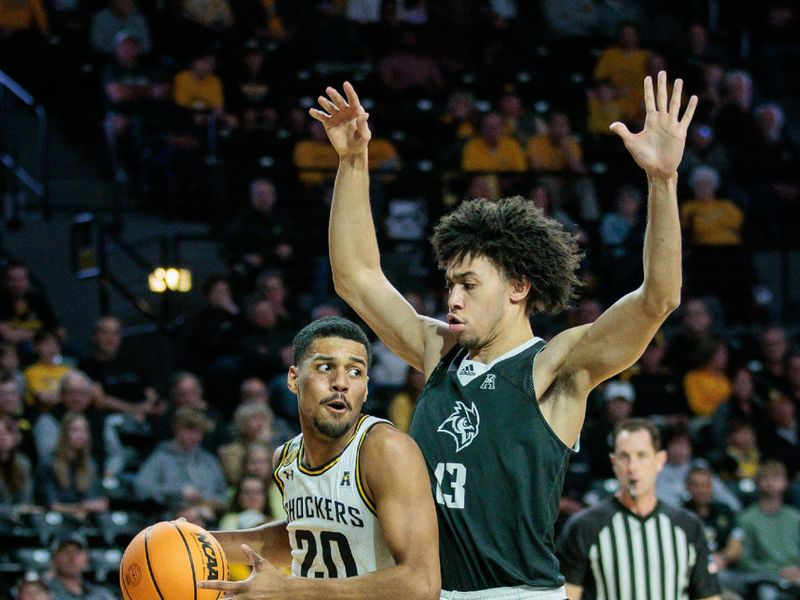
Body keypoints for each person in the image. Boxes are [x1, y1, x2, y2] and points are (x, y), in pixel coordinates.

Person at [316, 71, 697, 597]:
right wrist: (353, 162)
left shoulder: (555, 366)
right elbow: (355, 276)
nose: (452, 298)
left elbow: (659, 298)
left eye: (469, 284)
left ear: (518, 287)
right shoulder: (438, 350)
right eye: (450, 284)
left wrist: (662, 181)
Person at [198, 317, 439, 599]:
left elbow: (422, 583)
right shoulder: (285, 459)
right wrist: (197, 541)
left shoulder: (385, 449)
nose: (340, 383)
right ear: (293, 379)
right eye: (326, 368)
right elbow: (303, 537)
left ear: (366, 388)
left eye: (355, 372)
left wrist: (290, 590)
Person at [557, 419, 721, 600]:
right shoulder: (585, 526)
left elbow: (709, 596)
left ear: (660, 460)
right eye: (624, 456)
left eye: (641, 455)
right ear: (613, 462)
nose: (632, 467)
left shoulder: (689, 527)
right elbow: (569, 595)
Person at [46, 533, 117, 600]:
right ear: (54, 557)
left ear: (87, 558)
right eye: (66, 551)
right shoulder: (43, 592)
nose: (72, 558)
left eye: (77, 552)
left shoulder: (100, 594)